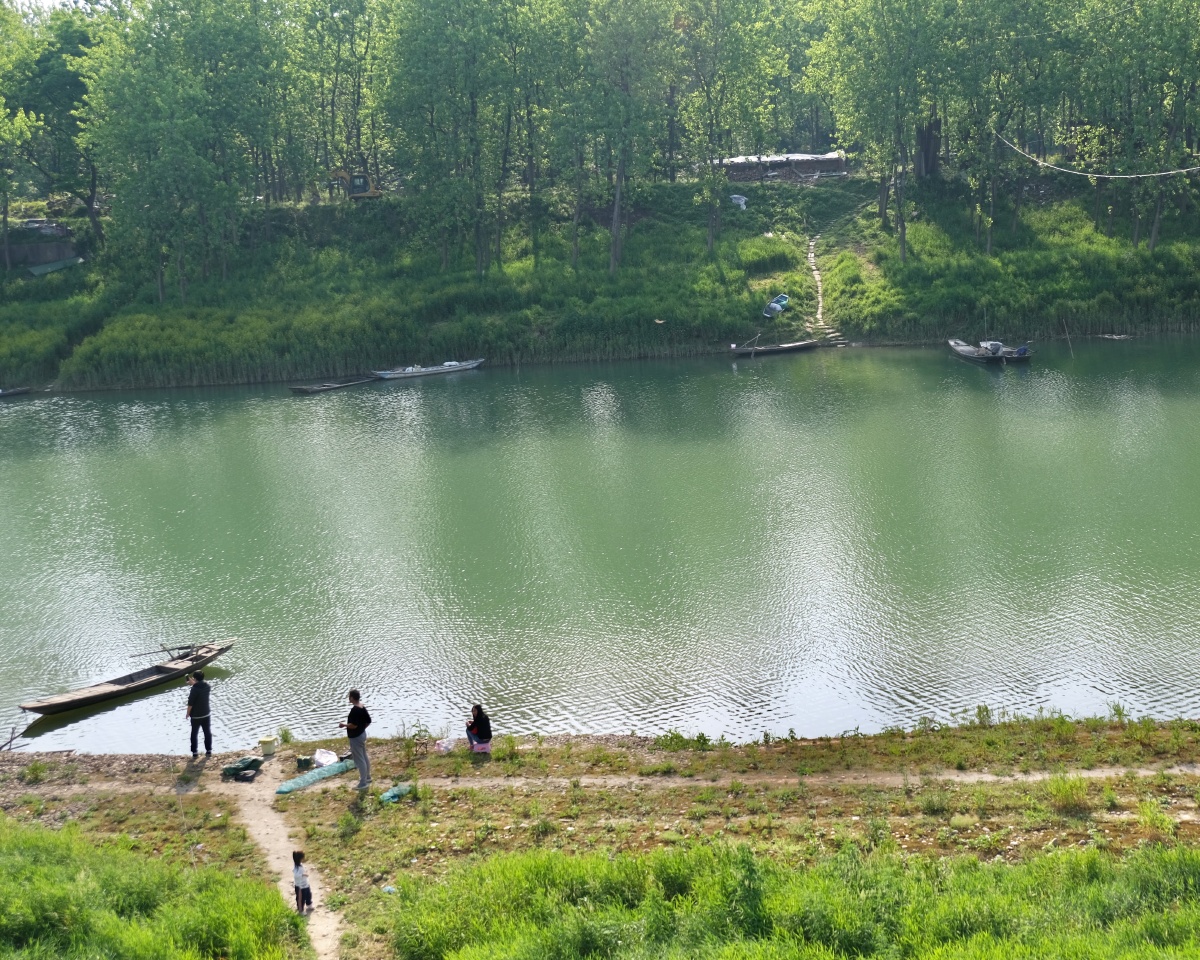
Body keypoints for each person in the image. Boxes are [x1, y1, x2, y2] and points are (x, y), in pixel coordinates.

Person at [338, 689, 371, 789]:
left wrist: (344, 725)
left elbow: (353, 725)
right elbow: (368, 721)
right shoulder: (362, 706)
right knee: (364, 756)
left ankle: (363, 783)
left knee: (359, 759)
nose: (349, 698)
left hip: (356, 738)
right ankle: (368, 777)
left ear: (352, 697)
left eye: (349, 696)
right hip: (362, 735)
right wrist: (362, 729)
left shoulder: (355, 710)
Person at [186, 670, 212, 759]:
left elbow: (190, 703)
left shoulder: (194, 689)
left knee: (194, 733)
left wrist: (187, 713)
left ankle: (195, 752)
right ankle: (208, 750)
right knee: (207, 732)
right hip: (206, 714)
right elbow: (201, 686)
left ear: (195, 678)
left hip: (196, 716)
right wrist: (194, 683)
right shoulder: (207, 686)